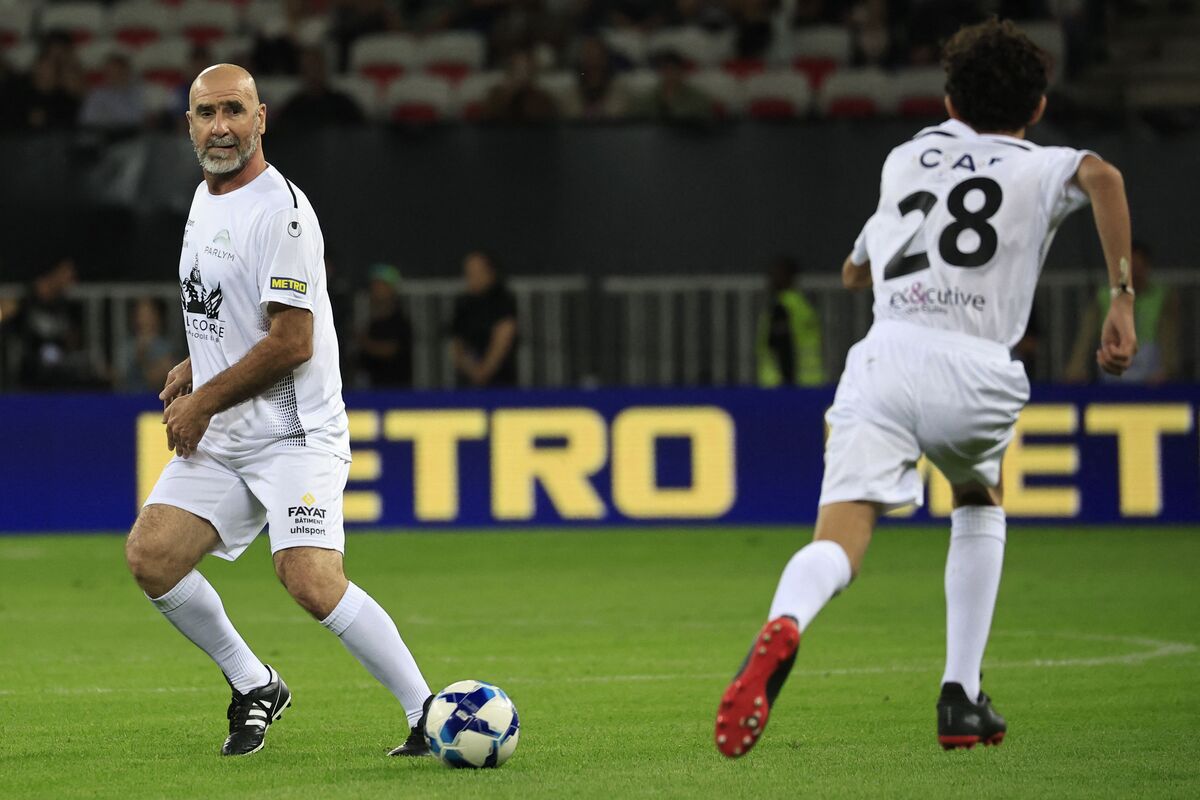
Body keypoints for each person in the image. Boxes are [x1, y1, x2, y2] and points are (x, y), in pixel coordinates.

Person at [714, 18, 1137, 758]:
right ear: (1036, 109)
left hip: (885, 357)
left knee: (840, 540)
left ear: (948, 100)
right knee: (978, 496)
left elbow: (856, 270)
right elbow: (1105, 177)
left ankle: (786, 623)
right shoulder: (1042, 165)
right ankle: (959, 694)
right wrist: (1121, 297)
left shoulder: (907, 157)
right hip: (976, 367)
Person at [123, 63, 434, 759]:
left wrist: (203, 398)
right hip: (228, 429)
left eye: (235, 110)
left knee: (310, 578)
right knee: (152, 557)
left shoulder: (281, 213)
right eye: (207, 114)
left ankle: (428, 714)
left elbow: (293, 342)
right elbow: (230, 311)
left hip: (293, 434)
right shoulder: (207, 199)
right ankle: (254, 682)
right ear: (190, 126)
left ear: (262, 118)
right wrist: (191, 366)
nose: (221, 126)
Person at [1065, 240, 1178, 384]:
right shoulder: (1104, 296)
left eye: (1139, 268)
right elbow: (1085, 336)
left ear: (1147, 268)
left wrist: (1168, 369)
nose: (1135, 274)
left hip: (1150, 373)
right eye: (1132, 269)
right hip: (1113, 368)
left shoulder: (1161, 297)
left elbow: (1169, 336)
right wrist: (1076, 366)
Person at [1, 257, 107, 389]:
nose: (70, 280)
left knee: (93, 374)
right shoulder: (25, 302)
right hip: (32, 367)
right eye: (66, 273)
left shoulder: (65, 306)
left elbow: (72, 341)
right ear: (53, 273)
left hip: (60, 364)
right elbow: (12, 333)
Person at [450, 251, 518, 388]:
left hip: (501, 382)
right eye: (469, 273)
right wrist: (471, 370)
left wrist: (484, 371)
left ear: (491, 272)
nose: (473, 277)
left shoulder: (503, 302)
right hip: (467, 381)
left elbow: (504, 337)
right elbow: (457, 345)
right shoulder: (463, 305)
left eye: (478, 272)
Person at [756, 256, 825, 387]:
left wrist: (787, 382)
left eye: (776, 274)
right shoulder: (803, 304)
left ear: (789, 276)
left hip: (782, 383)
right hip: (812, 381)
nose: (771, 280)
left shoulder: (781, 306)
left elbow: (782, 346)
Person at [275, 46, 365, 129]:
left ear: (324, 68)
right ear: (302, 72)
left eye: (316, 67)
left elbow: (360, 132)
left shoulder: (343, 105)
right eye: (308, 68)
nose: (313, 73)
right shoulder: (292, 109)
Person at [356, 263, 413, 388]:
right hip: (371, 390)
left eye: (381, 285)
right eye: (374, 286)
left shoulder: (401, 322)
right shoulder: (370, 323)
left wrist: (364, 343)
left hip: (398, 391)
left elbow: (392, 350)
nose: (376, 290)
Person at [631, 51, 715, 121]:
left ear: (681, 72)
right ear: (660, 72)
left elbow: (704, 123)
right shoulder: (648, 97)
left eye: (673, 70)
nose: (669, 74)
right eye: (665, 69)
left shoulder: (698, 99)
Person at [480, 50, 559, 123]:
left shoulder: (543, 99)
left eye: (526, 69)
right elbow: (488, 121)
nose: (522, 74)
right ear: (509, 71)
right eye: (517, 69)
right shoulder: (496, 95)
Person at [119, 298, 179, 393]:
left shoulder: (165, 347)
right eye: (140, 314)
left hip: (155, 399)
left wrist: (143, 359)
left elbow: (162, 379)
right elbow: (119, 379)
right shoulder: (127, 346)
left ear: (157, 317)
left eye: (148, 314)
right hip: (127, 399)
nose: (144, 319)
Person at [79, 52, 145, 130]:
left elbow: (138, 117)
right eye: (108, 71)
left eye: (116, 70)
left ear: (126, 70)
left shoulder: (140, 91)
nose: (112, 75)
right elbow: (87, 119)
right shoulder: (97, 94)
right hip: (104, 133)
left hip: (135, 133)